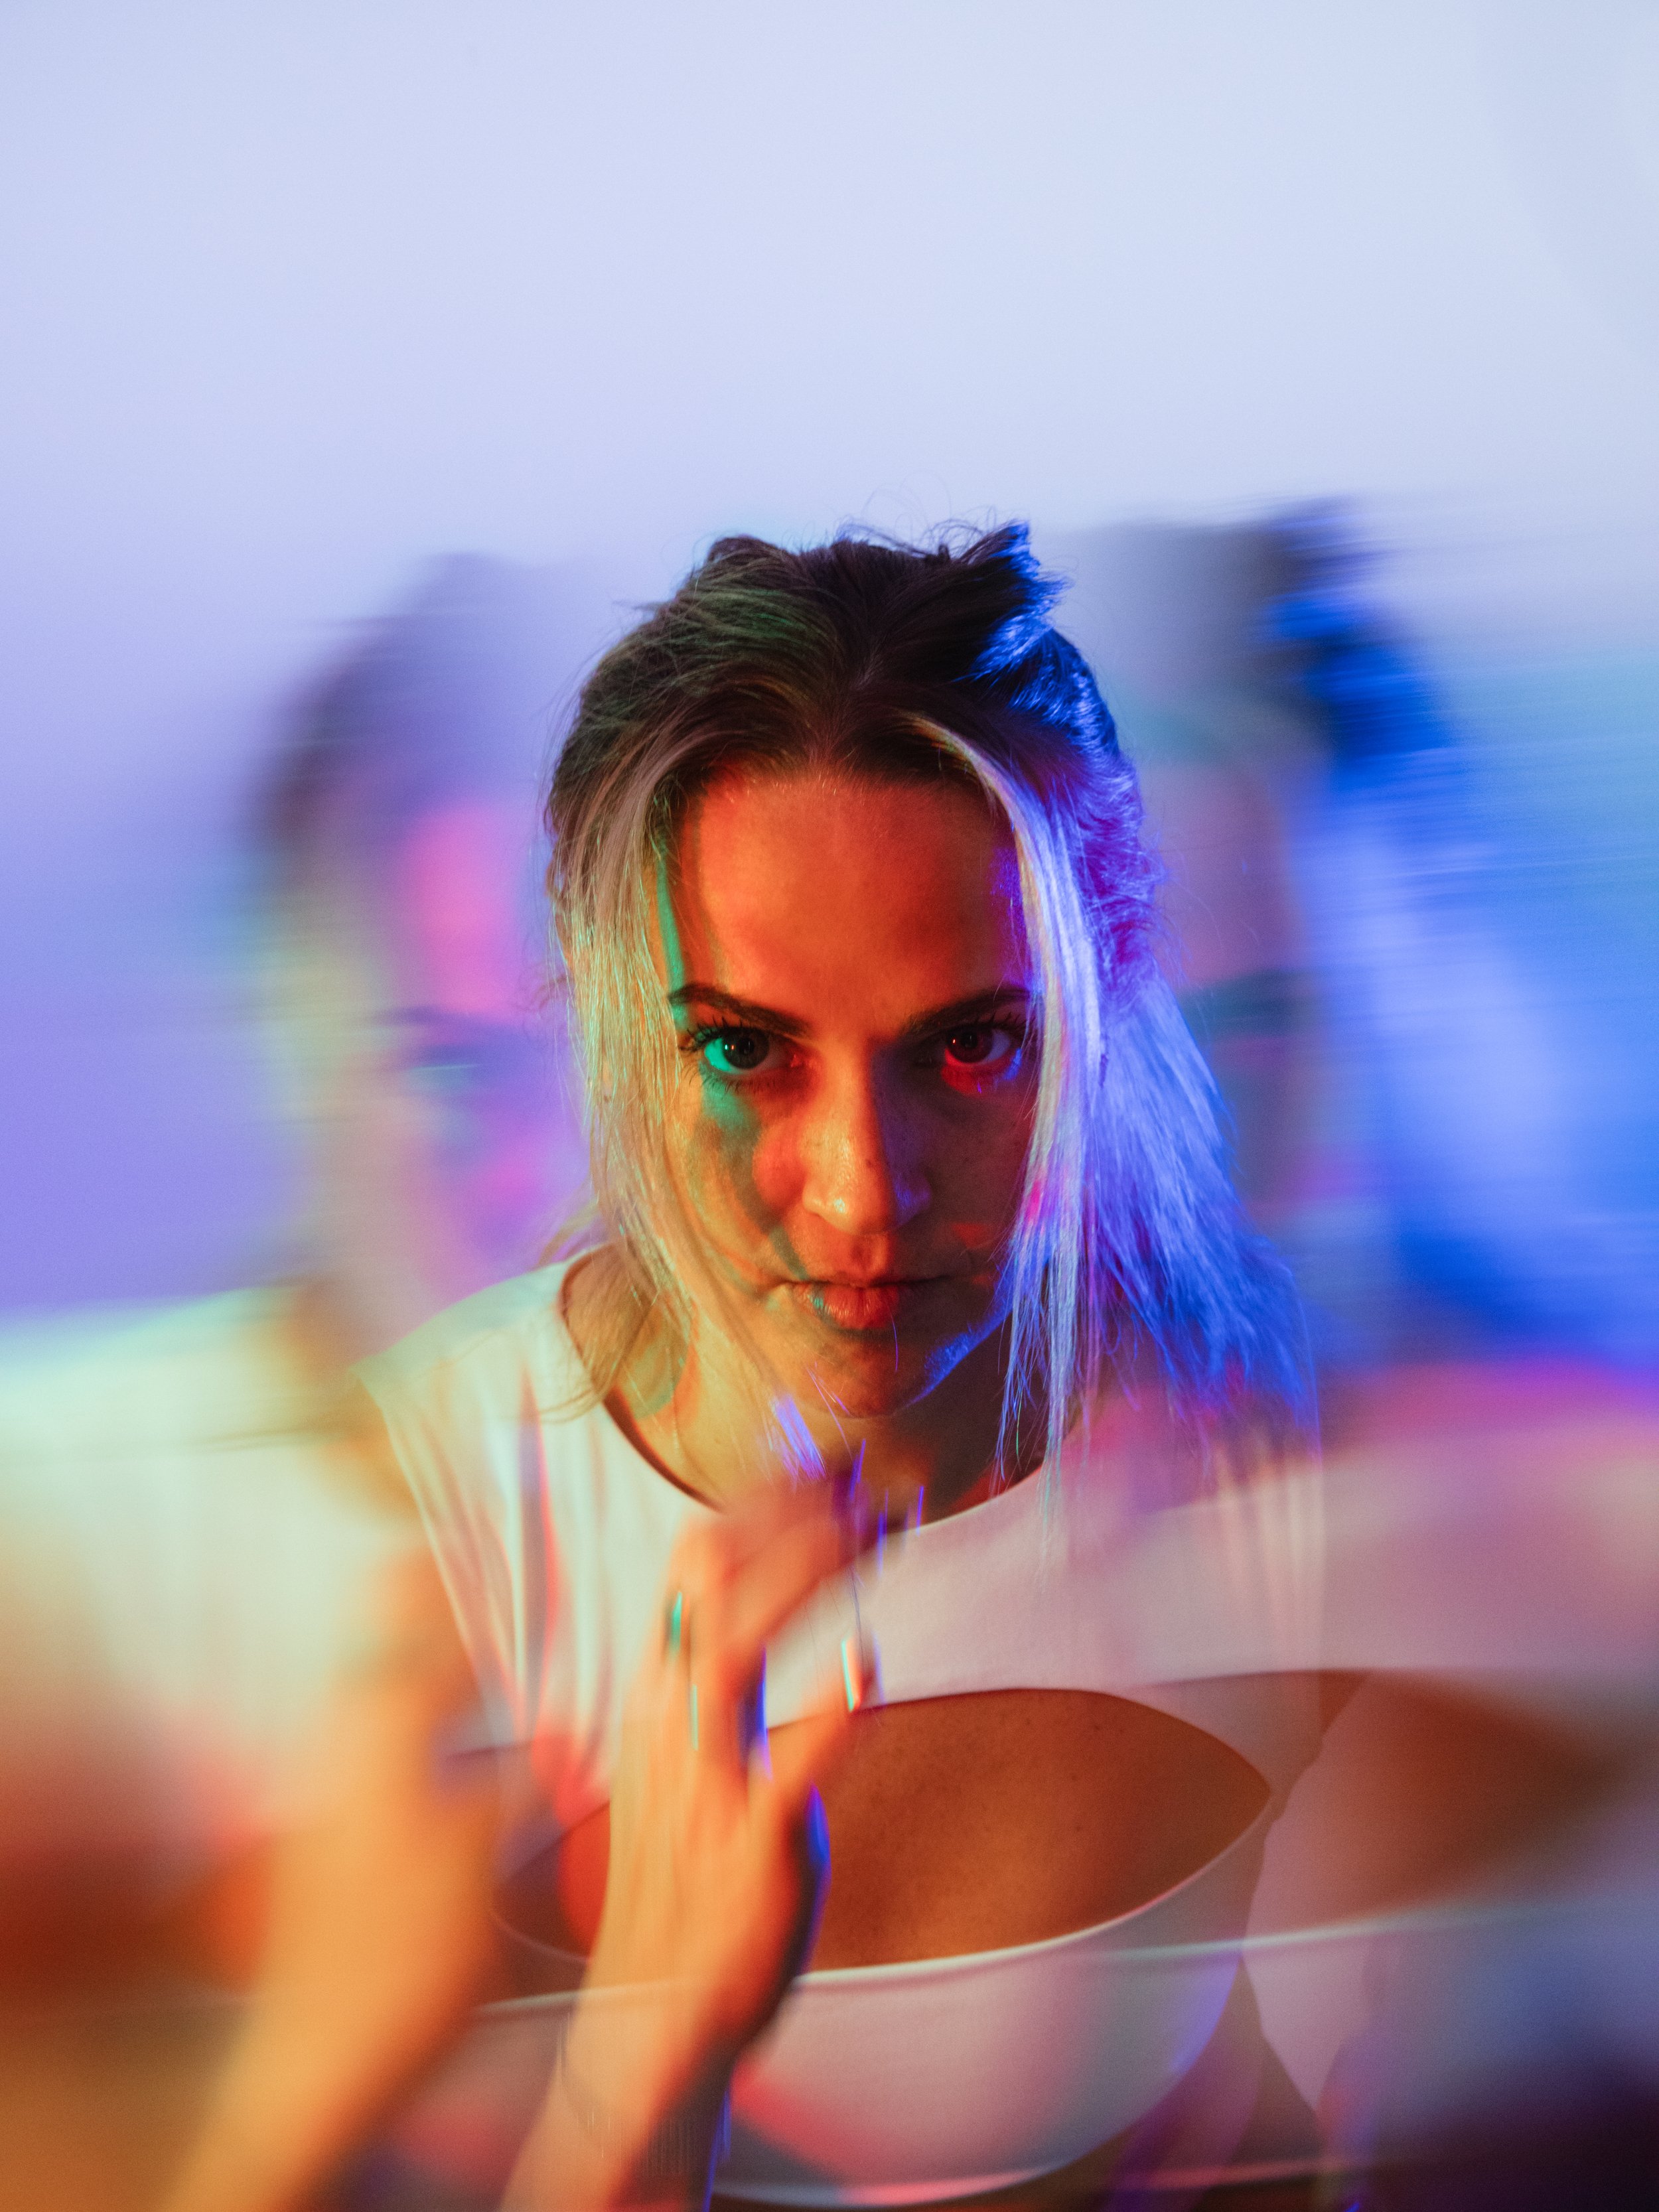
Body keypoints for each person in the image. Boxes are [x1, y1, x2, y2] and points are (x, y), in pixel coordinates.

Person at [171, 523, 1331, 2212]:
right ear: (605, 1015)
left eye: (970, 1043)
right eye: (745, 1049)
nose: (866, 1189)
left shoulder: (1270, 1434)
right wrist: (643, 2056)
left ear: (1103, 1001)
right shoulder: (422, 1538)